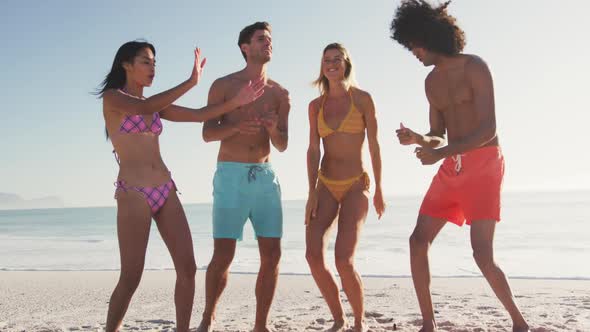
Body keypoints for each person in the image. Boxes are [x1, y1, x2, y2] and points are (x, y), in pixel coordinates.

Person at [98, 40, 264, 332]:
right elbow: (145, 105)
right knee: (131, 276)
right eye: (145, 62)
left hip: (165, 189)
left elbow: (200, 114)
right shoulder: (114, 99)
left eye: (154, 62)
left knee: (187, 269)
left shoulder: (156, 107)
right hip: (133, 193)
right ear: (126, 64)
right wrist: (191, 81)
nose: (153, 68)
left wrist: (236, 102)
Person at [390, 1, 529, 331]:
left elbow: (488, 129)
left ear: (428, 36)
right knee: (417, 241)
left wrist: (442, 151)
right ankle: (429, 324)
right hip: (451, 166)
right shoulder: (431, 83)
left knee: (481, 253)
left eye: (414, 45)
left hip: (484, 165)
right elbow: (438, 135)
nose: (414, 53)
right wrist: (418, 139)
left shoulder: (474, 67)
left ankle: (519, 322)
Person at [196, 22, 290, 332]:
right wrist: (236, 127)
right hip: (231, 176)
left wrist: (273, 129)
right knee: (223, 254)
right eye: (261, 39)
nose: (268, 44)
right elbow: (208, 134)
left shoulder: (280, 93)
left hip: (264, 177)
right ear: (245, 47)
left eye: (270, 40)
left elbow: (282, 145)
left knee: (272, 254)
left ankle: (260, 325)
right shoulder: (223, 86)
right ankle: (208, 317)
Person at [305, 42, 385, 332]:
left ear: (346, 63)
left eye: (337, 59)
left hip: (355, 185)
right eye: (327, 60)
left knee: (343, 259)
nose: (331, 64)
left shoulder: (363, 99)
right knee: (313, 255)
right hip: (325, 184)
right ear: (322, 66)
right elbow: (313, 150)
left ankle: (359, 322)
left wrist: (378, 188)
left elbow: (374, 146)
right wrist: (311, 192)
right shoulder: (315, 106)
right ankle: (339, 317)